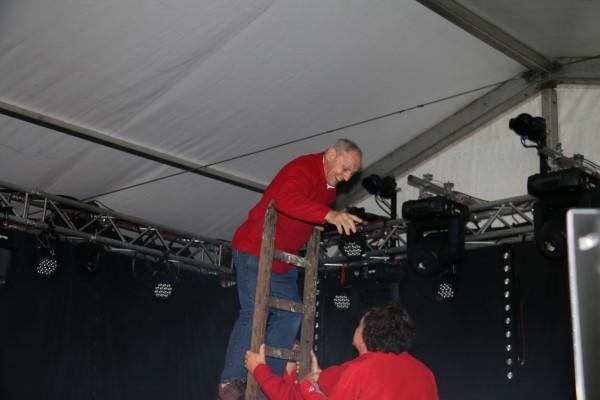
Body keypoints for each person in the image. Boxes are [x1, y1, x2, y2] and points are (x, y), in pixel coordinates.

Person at [219, 139, 364, 400]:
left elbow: (304, 214)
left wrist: (318, 220)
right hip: (255, 249)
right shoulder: (303, 168)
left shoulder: (329, 189)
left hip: (284, 261)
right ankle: (231, 380)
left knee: (291, 316)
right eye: (345, 169)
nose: (346, 177)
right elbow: (285, 200)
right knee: (254, 312)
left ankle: (266, 381)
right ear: (331, 154)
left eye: (352, 173)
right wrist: (328, 215)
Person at [244, 303, 439, 400]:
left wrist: (259, 368)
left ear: (366, 335)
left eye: (360, 324)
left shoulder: (359, 371)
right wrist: (312, 380)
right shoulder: (425, 373)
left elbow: (290, 396)